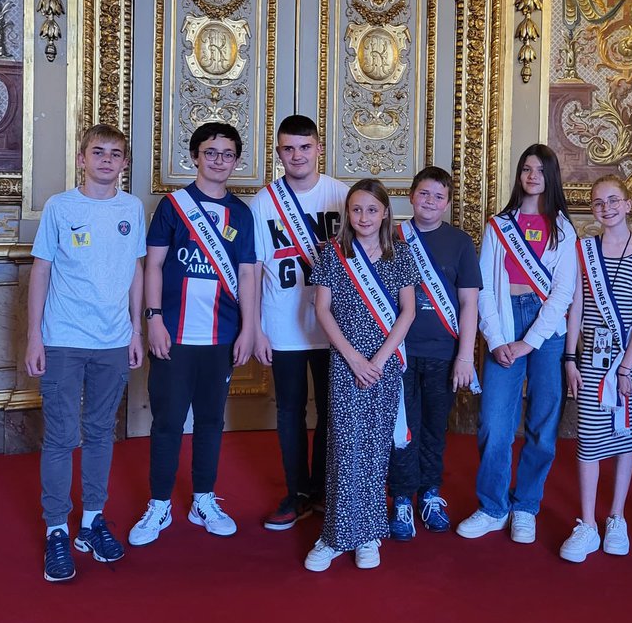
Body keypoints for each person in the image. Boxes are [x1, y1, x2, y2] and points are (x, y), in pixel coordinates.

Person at [25, 124, 146, 582]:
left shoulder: (132, 208)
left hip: (113, 341)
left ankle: (92, 522)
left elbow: (135, 270)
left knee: (100, 434)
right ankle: (57, 528)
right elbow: (41, 272)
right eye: (98, 152)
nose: (107, 160)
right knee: (60, 437)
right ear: (82, 159)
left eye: (116, 154)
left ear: (124, 163)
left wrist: (136, 329)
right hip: (62, 340)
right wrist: (34, 337)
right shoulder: (60, 206)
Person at [128, 122, 256, 547]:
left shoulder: (242, 213)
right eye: (210, 152)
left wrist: (249, 330)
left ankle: (203, 497)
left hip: (221, 335)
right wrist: (154, 319)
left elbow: (248, 274)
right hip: (175, 335)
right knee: (167, 421)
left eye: (226, 154)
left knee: (211, 421)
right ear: (195, 156)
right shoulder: (173, 206)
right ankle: (160, 503)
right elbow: (154, 266)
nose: (218, 160)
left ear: (236, 161)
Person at [457, 144, 577, 544]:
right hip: (504, 324)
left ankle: (525, 505)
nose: (531, 176)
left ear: (551, 176)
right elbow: (485, 288)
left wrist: (530, 342)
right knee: (494, 424)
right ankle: (493, 507)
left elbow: (563, 293)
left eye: (540, 170)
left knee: (542, 425)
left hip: (546, 332)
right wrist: (496, 339)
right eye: (526, 168)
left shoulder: (563, 227)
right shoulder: (499, 225)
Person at [304, 180, 418, 572]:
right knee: (343, 446)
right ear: (347, 214)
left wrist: (381, 359)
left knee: (374, 447)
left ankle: (368, 533)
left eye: (372, 209)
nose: (364, 217)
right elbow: (322, 310)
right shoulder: (334, 254)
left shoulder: (400, 254)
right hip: (346, 363)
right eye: (356, 210)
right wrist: (353, 359)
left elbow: (408, 312)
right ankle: (334, 535)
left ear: (385, 212)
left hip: (384, 365)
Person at [250, 115, 346, 530]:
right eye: (288, 149)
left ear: (319, 148)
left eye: (305, 147)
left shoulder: (341, 195)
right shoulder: (262, 202)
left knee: (330, 412)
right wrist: (254, 327)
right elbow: (252, 270)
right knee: (289, 412)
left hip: (333, 328)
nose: (297, 156)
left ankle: (323, 489)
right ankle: (296, 493)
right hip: (282, 324)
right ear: (278, 153)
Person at [559, 175, 632, 562]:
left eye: (613, 200)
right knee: (588, 437)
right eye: (599, 203)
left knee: (623, 436)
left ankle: (616, 516)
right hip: (591, 359)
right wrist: (570, 357)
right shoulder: (584, 250)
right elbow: (577, 308)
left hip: (626, 360)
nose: (607, 208)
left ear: (629, 204)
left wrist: (628, 366)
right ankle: (587, 522)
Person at [387, 166, 481, 539]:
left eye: (438, 196)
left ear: (448, 203)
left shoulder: (460, 243)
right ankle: (402, 501)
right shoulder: (392, 237)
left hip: (444, 353)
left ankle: (429, 493)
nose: (430, 201)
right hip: (399, 353)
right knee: (402, 430)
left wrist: (465, 356)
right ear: (410, 196)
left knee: (434, 430)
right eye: (424, 193)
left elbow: (469, 304)